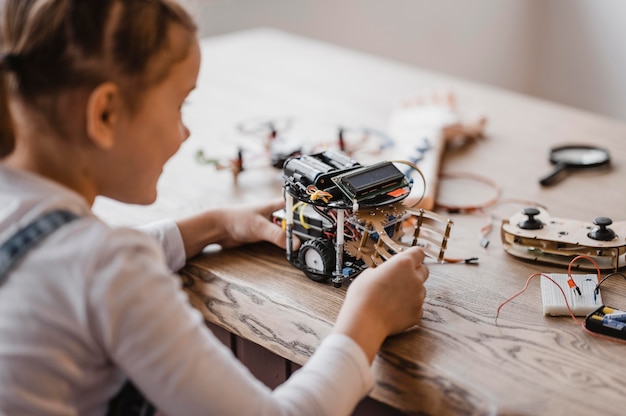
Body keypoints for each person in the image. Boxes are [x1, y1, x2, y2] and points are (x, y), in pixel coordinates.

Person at [0, 1, 429, 415]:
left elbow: (72, 272)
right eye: (179, 105)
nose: (186, 132)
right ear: (106, 114)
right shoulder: (108, 270)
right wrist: (368, 320)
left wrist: (213, 225)